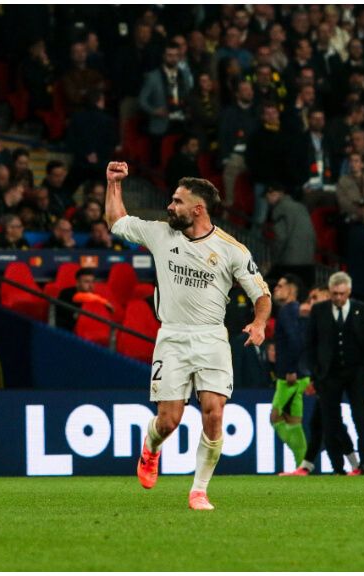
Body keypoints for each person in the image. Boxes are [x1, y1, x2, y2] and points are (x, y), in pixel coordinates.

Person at [106, 163, 271, 510]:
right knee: (169, 421)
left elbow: (262, 295)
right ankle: (151, 448)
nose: (170, 206)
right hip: (172, 337)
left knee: (213, 412)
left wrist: (259, 324)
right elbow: (117, 221)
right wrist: (113, 184)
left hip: (211, 338)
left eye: (177, 202)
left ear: (198, 209)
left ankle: (199, 490)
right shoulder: (160, 234)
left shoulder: (232, 250)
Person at [303, 272, 364, 475]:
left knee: (361, 420)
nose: (338, 298)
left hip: (356, 373)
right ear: (330, 292)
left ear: (349, 292)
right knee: (330, 422)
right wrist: (316, 373)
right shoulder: (319, 310)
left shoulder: (363, 310)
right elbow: (310, 344)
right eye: (335, 293)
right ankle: (337, 467)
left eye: (342, 294)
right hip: (329, 375)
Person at [269, 275, 310, 470]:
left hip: (290, 377)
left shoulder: (288, 311)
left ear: (291, 290)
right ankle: (302, 466)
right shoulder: (294, 310)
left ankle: (303, 460)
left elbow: (296, 341)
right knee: (294, 421)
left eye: (281, 285)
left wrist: (291, 369)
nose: (276, 288)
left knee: (275, 418)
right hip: (296, 374)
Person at [265, 183, 317, 288]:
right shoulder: (300, 206)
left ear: (275, 194)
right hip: (308, 261)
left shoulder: (280, 209)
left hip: (289, 263)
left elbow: (281, 238)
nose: (267, 200)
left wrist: (274, 260)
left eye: (268, 196)